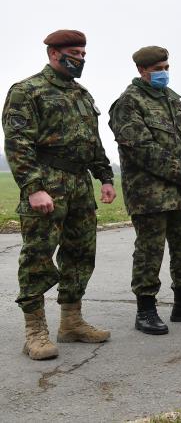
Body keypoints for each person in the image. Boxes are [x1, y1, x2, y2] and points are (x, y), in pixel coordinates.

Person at [2, 29, 115, 360]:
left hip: (79, 184)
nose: (80, 58)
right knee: (37, 256)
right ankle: (35, 331)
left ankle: (71, 321)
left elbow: (93, 141)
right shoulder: (28, 91)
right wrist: (33, 187)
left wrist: (104, 176)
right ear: (54, 53)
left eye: (82, 53)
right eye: (74, 53)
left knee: (80, 254)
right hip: (47, 182)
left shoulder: (81, 94)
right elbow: (18, 142)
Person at [109, 46, 181, 335]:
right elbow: (140, 147)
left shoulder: (172, 100)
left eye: (166, 66)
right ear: (142, 70)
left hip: (180, 192)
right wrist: (180, 171)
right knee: (149, 251)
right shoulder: (128, 103)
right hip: (148, 194)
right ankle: (145, 310)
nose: (164, 72)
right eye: (158, 68)